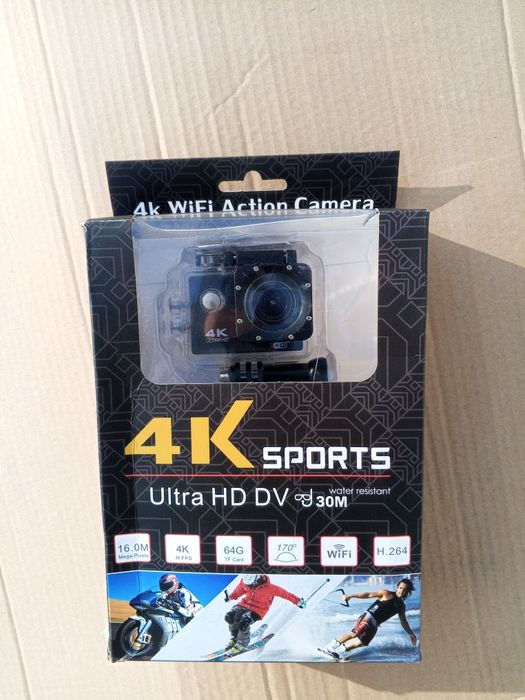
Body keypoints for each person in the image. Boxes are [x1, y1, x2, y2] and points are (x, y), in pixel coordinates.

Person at [320, 578, 417, 660]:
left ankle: (340, 650)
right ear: (397, 587)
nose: (401, 591)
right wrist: (351, 596)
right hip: (368, 616)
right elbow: (368, 595)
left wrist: (410, 633)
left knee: (362, 643)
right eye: (400, 588)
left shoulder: (401, 606)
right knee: (356, 632)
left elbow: (403, 621)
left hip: (375, 624)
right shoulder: (386, 593)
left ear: (407, 592)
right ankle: (330, 647)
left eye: (405, 590)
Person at [224, 574, 306, 652]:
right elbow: (239, 590)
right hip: (243, 605)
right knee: (230, 616)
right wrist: (230, 597)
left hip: (257, 610)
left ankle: (242, 643)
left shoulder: (270, 588)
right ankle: (235, 636)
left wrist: (298, 601)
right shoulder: (246, 582)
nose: (248, 587)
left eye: (250, 585)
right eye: (247, 585)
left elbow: (286, 594)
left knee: (244, 623)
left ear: (257, 580)